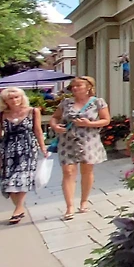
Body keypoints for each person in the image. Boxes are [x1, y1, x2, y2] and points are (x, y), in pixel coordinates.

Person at [50, 76, 110, 220]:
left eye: (78, 85)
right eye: (73, 86)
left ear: (88, 87)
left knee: (86, 170)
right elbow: (55, 117)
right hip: (67, 140)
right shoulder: (66, 102)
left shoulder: (97, 102)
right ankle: (69, 206)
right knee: (68, 171)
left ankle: (84, 201)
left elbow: (106, 120)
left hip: (88, 140)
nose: (75, 88)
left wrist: (89, 124)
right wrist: (55, 126)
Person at [1, 87, 48, 225]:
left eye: (17, 97)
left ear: (22, 98)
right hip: (7, 149)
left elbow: (38, 131)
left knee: (21, 177)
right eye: (10, 98)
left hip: (28, 148)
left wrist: (43, 147)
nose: (14, 100)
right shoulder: (2, 114)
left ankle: (18, 208)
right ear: (5, 101)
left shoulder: (33, 111)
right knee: (8, 181)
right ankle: (20, 208)